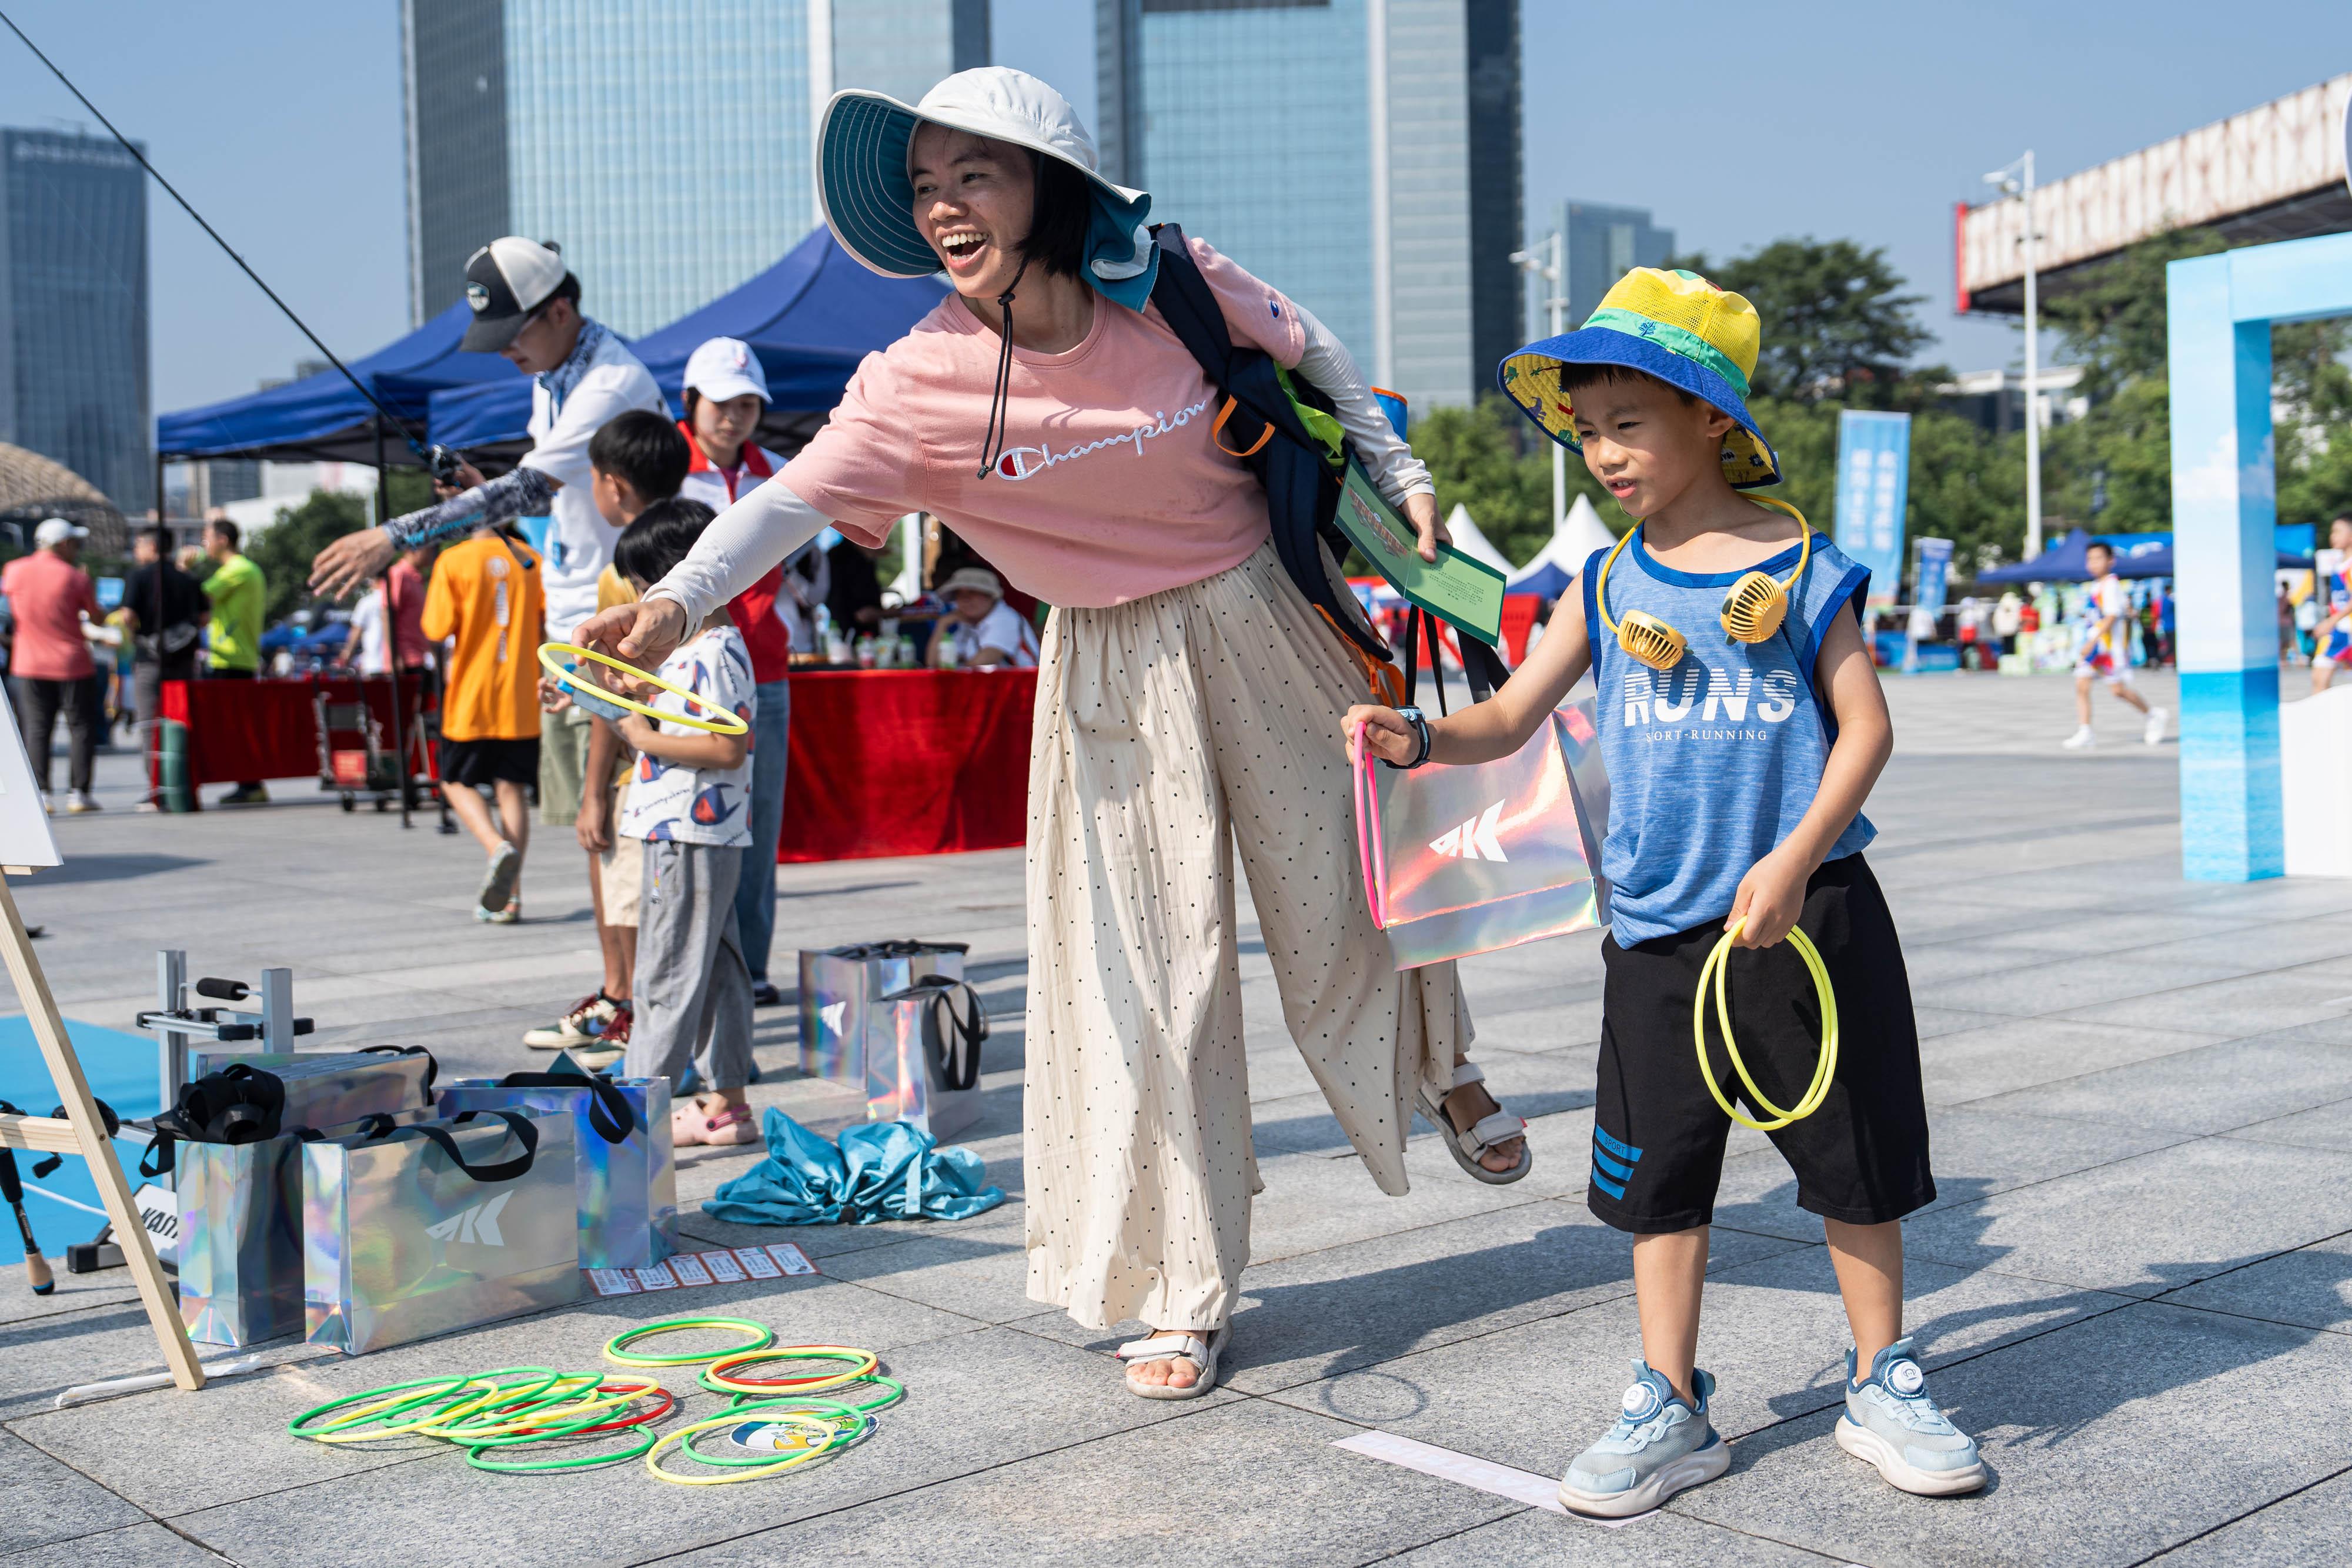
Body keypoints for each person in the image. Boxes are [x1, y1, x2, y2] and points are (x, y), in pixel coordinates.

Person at [576, 68, 1526, 1398]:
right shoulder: (912, 382)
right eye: (925, 186)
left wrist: (1405, 476)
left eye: (977, 174)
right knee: (1146, 988)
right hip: (1105, 668)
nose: (947, 207)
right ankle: (1181, 1285)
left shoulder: (1170, 279)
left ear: (1047, 188)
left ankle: (1442, 1069)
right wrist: (675, 606)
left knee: (1346, 889)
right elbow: (780, 507)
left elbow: (1314, 353)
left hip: (1260, 614)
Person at [1352, 266, 1979, 1514]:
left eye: (1625, 423)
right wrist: (1418, 739)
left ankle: (1879, 1375)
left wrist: (1793, 859)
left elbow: (1864, 731)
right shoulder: (1603, 582)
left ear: (1709, 419)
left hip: (1808, 915)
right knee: (1660, 1181)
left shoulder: (1807, 568)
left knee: (1854, 1160)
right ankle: (1666, 1399)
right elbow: (1509, 716)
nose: (1600, 452)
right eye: (1583, 429)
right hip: (1655, 931)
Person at [305, 236, 667, 835]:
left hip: (615, 629)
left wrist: (395, 536)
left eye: (510, 336)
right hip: (576, 629)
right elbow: (550, 492)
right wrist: (484, 497)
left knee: (613, 831)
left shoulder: (608, 385)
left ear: (559, 311)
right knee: (593, 834)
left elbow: (530, 487)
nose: (504, 353)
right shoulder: (554, 373)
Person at [520, 410, 690, 1052]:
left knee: (614, 878)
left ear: (611, 485)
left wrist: (593, 789)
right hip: (660, 750)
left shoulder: (627, 568)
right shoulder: (694, 539)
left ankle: (621, 1000)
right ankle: (625, 998)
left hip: (627, 759)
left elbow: (608, 689)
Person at [608, 499, 759, 1145]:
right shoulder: (698, 652)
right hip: (699, 832)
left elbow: (729, 747)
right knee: (719, 967)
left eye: (644, 588)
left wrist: (644, 739)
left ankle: (630, 1122)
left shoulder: (714, 652)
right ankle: (725, 1104)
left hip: (688, 833)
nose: (644, 602)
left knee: (666, 972)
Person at [676, 336, 804, 1008]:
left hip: (767, 673)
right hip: (683, 676)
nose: (735, 416)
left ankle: (749, 970)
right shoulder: (666, 468)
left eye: (749, 403)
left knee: (758, 826)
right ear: (692, 403)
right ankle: (692, 970)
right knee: (687, 825)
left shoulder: (780, 473)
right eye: (723, 403)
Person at [422, 524, 544, 922]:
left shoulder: (453, 560)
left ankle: (496, 847)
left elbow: (436, 628)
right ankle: (512, 898)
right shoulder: (531, 559)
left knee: (454, 780)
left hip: (472, 695)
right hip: (522, 693)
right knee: (512, 789)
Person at [1, 518, 102, 813]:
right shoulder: (76, 578)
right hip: (73, 664)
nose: (77, 549)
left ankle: (42, 794)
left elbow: (9, 611)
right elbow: (96, 618)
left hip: (29, 663)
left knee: (36, 728)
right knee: (81, 727)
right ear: (63, 545)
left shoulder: (14, 571)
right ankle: (79, 794)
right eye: (75, 543)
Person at [120, 526, 205, 808]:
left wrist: (139, 633)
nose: (136, 551)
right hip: (183, 661)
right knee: (182, 722)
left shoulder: (138, 577)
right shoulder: (188, 578)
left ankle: (158, 788)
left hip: (150, 660)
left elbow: (128, 616)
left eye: (139, 545)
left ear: (152, 546)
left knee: (149, 725)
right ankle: (184, 784)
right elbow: (204, 617)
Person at [2064, 541, 2165, 749]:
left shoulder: (2111, 584)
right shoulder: (2097, 585)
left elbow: (2111, 616)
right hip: (2096, 647)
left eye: (2098, 558)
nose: (2093, 563)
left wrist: (2091, 641)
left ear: (2111, 561)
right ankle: (2085, 731)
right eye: (2090, 559)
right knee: (2082, 686)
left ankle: (2153, 715)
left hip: (2106, 649)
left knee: (2118, 691)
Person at [199, 519, 269, 805]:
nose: (204, 544)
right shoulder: (241, 569)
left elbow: (199, 597)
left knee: (235, 727)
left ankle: (251, 784)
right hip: (234, 659)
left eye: (207, 537)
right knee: (236, 726)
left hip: (231, 661)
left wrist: (182, 569)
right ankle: (249, 783)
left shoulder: (237, 570)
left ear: (223, 540)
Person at [926, 566, 1037, 667]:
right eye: (960, 594)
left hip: (1025, 687)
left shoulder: (1005, 619)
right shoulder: (969, 621)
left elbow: (981, 663)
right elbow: (934, 663)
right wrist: (942, 625)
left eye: (973, 593)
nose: (965, 599)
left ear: (990, 596)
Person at [2309, 515, 2352, 694]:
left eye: (2338, 531)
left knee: (2321, 679)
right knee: (2319, 678)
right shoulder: (2339, 565)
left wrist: (2330, 622)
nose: (2333, 536)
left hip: (2346, 629)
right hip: (2339, 629)